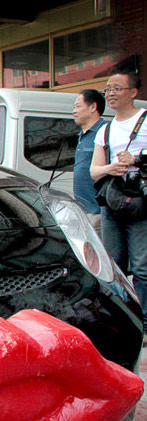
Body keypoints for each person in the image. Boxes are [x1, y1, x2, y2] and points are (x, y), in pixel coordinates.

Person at [90, 70, 147, 335]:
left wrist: (136, 161)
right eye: (107, 88)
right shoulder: (105, 129)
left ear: (133, 93)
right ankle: (122, 321)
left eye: (116, 88)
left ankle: (144, 324)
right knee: (114, 266)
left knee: (142, 267)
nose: (110, 93)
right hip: (112, 202)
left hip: (141, 202)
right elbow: (94, 170)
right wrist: (110, 168)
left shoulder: (145, 119)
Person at [72, 89, 106, 232]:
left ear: (93, 107)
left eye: (78, 106)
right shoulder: (82, 135)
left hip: (98, 211)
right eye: (74, 107)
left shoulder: (105, 131)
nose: (74, 111)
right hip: (82, 210)